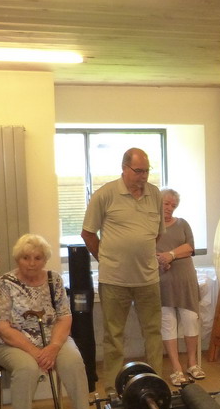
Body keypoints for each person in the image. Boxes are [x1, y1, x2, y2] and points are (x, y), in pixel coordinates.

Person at [0, 234, 95, 409]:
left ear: (45, 259)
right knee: (27, 368)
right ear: (18, 259)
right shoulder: (5, 283)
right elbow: (1, 326)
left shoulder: (54, 280)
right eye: (26, 258)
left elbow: (65, 317)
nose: (31, 263)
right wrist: (35, 352)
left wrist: (54, 347)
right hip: (13, 343)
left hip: (52, 339)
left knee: (73, 361)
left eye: (37, 258)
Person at [81, 147, 164, 390]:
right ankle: (113, 390)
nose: (143, 176)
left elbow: (157, 234)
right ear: (124, 168)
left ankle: (155, 384)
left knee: (153, 333)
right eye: (138, 171)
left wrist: (139, 251)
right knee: (114, 337)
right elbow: (88, 234)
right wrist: (106, 259)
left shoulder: (155, 194)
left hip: (148, 280)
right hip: (114, 281)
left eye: (146, 171)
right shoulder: (105, 194)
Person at [156, 188, 204, 387]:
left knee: (190, 319)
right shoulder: (151, 226)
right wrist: (161, 260)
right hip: (162, 280)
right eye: (166, 203)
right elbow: (146, 251)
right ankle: (176, 368)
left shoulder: (182, 223)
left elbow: (189, 247)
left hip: (185, 280)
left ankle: (192, 363)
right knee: (168, 323)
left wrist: (171, 255)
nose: (169, 208)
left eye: (173, 205)